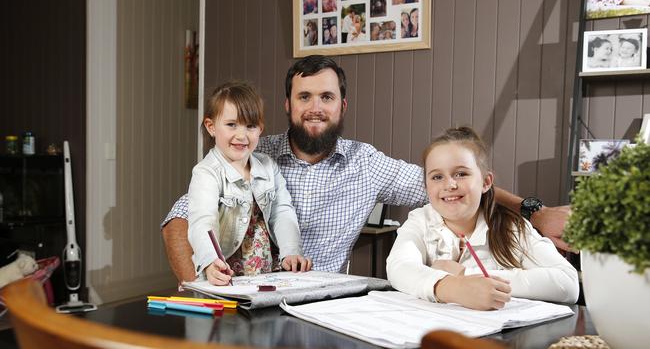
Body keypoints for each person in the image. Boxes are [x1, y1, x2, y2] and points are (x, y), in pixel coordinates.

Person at [161, 55, 572, 281]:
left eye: (326, 96)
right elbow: (180, 221)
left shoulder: (366, 163)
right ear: (288, 105)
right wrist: (196, 290)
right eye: (304, 97)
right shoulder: (254, 153)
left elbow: (450, 186)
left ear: (343, 105)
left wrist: (534, 211)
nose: (315, 107)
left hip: (325, 302)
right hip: (245, 293)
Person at [386, 127, 579, 310]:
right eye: (437, 177)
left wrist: (465, 275)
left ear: (486, 182)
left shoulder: (512, 227)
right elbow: (399, 267)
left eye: (461, 174)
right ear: (426, 186)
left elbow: (568, 283)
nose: (450, 184)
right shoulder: (420, 221)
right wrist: (454, 287)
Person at [188, 81, 311, 285]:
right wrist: (210, 261)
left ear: (260, 129)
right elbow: (203, 222)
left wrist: (291, 252)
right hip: (223, 276)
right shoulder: (206, 173)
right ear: (211, 127)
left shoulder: (268, 167)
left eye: (250, 126)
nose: (242, 135)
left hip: (264, 275)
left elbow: (282, 211)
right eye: (231, 125)